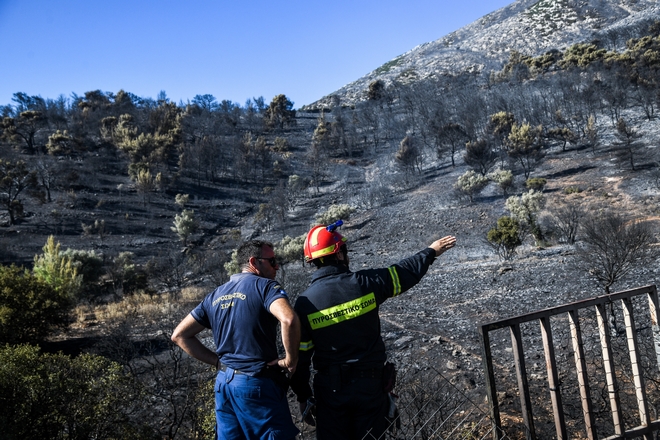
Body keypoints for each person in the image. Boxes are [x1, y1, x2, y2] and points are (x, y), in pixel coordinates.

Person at [290, 221, 457, 440]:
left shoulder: (304, 303)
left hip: (330, 393)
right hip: (369, 387)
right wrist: (430, 252)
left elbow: (301, 356)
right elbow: (402, 273)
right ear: (339, 254)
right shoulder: (365, 284)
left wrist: (304, 396)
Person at [171, 240, 301, 440]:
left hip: (224, 384)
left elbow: (179, 335)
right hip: (255, 383)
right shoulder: (265, 287)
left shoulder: (215, 294)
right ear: (253, 262)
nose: (277, 266)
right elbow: (289, 319)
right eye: (272, 261)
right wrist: (290, 361)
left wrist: (217, 362)